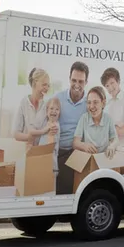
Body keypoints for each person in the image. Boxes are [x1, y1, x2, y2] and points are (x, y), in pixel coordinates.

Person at [55, 61, 90, 195]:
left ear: (86, 82)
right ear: (69, 79)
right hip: (59, 150)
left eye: (81, 81)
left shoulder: (88, 104)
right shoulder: (58, 98)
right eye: (74, 80)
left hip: (77, 152)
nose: (77, 85)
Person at [73, 86, 119, 157]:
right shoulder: (84, 118)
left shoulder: (108, 119)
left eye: (95, 102)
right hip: (88, 159)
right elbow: (75, 143)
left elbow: (115, 139)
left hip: (104, 158)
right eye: (89, 102)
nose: (91, 106)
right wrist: (84, 145)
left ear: (103, 103)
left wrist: (112, 146)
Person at [13, 68, 52, 146]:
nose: (47, 88)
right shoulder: (24, 102)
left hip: (42, 150)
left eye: (48, 85)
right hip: (27, 150)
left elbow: (50, 131)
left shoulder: (48, 104)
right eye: (44, 84)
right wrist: (30, 137)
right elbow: (16, 134)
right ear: (34, 83)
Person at [101, 68, 124, 146]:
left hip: (121, 145)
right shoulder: (107, 102)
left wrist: (111, 128)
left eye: (112, 83)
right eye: (107, 85)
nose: (110, 88)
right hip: (106, 144)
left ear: (118, 81)